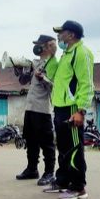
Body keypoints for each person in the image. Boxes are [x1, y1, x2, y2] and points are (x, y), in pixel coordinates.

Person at [43, 20, 94, 199]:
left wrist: (81, 110)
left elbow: (86, 83)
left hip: (72, 108)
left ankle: (78, 187)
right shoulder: (66, 54)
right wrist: (50, 55)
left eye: (61, 33)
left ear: (71, 34)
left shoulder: (81, 53)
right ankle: (63, 181)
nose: (59, 37)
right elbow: (51, 75)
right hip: (60, 107)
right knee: (63, 147)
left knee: (74, 148)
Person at [15, 35, 58, 186]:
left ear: (47, 46)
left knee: (47, 143)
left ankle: (49, 173)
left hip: (43, 109)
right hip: (31, 107)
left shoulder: (53, 64)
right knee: (31, 140)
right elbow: (23, 81)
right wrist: (20, 72)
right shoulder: (34, 63)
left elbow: (55, 87)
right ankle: (32, 169)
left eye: (38, 44)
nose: (36, 47)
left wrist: (43, 79)